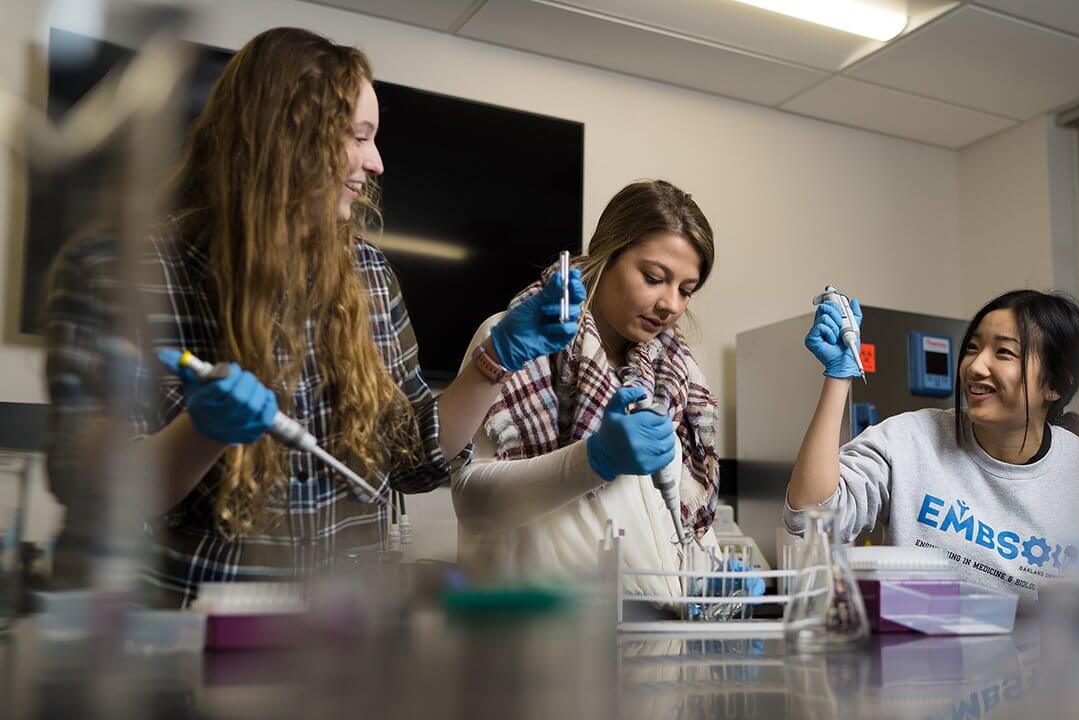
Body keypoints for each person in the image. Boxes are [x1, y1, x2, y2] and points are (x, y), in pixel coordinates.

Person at [43, 27, 583, 607]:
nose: (376, 162)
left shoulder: (370, 276)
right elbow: (90, 486)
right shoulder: (119, 273)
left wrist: (494, 358)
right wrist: (201, 433)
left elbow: (408, 460)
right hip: (184, 641)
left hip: (339, 639)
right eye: (359, 136)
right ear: (287, 137)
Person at [452, 179, 761, 599]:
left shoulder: (675, 375)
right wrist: (593, 459)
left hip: (649, 642)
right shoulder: (516, 342)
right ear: (607, 254)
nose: (670, 303)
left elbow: (666, 522)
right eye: (654, 277)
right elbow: (473, 505)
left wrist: (711, 571)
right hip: (537, 639)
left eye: (686, 290)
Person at [784, 289, 1079, 604]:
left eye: (1004, 353)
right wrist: (839, 376)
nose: (976, 366)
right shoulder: (909, 440)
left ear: (1055, 386)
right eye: (973, 348)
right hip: (918, 675)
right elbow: (810, 515)